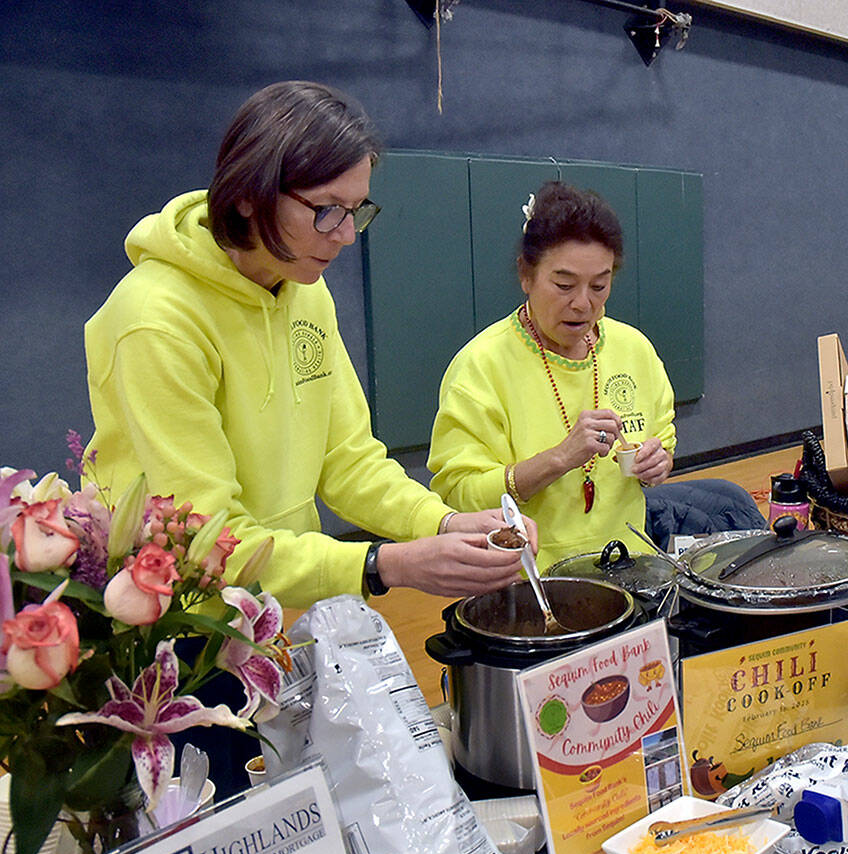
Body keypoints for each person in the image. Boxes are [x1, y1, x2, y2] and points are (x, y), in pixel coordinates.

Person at [84, 81, 533, 612]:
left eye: (357, 210)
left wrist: (442, 521)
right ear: (249, 194)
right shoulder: (156, 321)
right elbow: (206, 541)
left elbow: (348, 460)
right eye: (326, 210)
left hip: (274, 603)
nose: (345, 235)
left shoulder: (302, 289)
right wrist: (383, 564)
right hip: (176, 621)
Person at [427, 181, 763, 569]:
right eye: (564, 285)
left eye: (599, 286)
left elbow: (662, 438)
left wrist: (659, 462)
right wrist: (559, 459)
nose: (583, 303)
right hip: (527, 581)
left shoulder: (633, 349)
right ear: (526, 274)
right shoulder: (481, 366)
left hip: (626, 568)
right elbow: (459, 496)